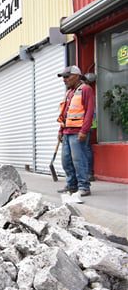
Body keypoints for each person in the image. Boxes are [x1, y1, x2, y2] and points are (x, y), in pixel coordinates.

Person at [56, 65, 95, 196]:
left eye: (67, 77)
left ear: (77, 76)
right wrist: (60, 131)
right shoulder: (69, 92)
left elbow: (89, 112)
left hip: (78, 132)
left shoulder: (86, 89)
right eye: (63, 77)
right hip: (67, 132)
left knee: (79, 160)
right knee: (66, 161)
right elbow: (65, 114)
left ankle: (84, 186)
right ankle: (72, 185)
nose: (64, 80)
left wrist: (84, 131)